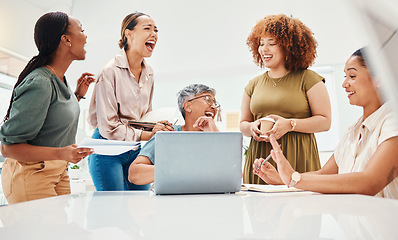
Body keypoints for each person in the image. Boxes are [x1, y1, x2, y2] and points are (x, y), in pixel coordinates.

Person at [254, 48, 398, 199]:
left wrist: (294, 178)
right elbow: (323, 174)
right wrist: (282, 179)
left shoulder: (392, 123)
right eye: (345, 76)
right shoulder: (353, 131)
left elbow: (369, 182)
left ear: (379, 80)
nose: (344, 84)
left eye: (352, 76)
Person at [0, 12, 95, 204]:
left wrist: (76, 96)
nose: (86, 37)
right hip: (32, 176)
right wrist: (62, 153)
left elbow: (51, 120)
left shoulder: (58, 78)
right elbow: (8, 148)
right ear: (66, 39)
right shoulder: (40, 82)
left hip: (58, 171)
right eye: (82, 30)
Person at [240, 14, 332, 185]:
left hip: (298, 157)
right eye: (261, 44)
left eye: (271, 43)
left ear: (289, 46)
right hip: (260, 159)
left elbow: (325, 122)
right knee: (258, 209)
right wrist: (252, 128)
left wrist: (290, 125)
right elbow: (243, 124)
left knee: (300, 208)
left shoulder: (308, 79)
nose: (264, 49)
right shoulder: (253, 85)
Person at [87, 12, 173, 191]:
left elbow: (143, 117)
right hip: (108, 148)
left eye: (156, 30)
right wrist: (147, 135)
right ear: (129, 34)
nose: (154, 34)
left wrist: (156, 127)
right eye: (147, 28)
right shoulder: (110, 71)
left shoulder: (149, 72)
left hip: (134, 149)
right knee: (113, 210)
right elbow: (108, 126)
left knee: (140, 208)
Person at [128, 84, 220, 185]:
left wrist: (215, 135)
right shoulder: (168, 134)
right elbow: (134, 174)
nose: (213, 106)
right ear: (188, 106)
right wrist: (177, 169)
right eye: (208, 100)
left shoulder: (217, 137)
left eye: (215, 103)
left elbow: (228, 171)